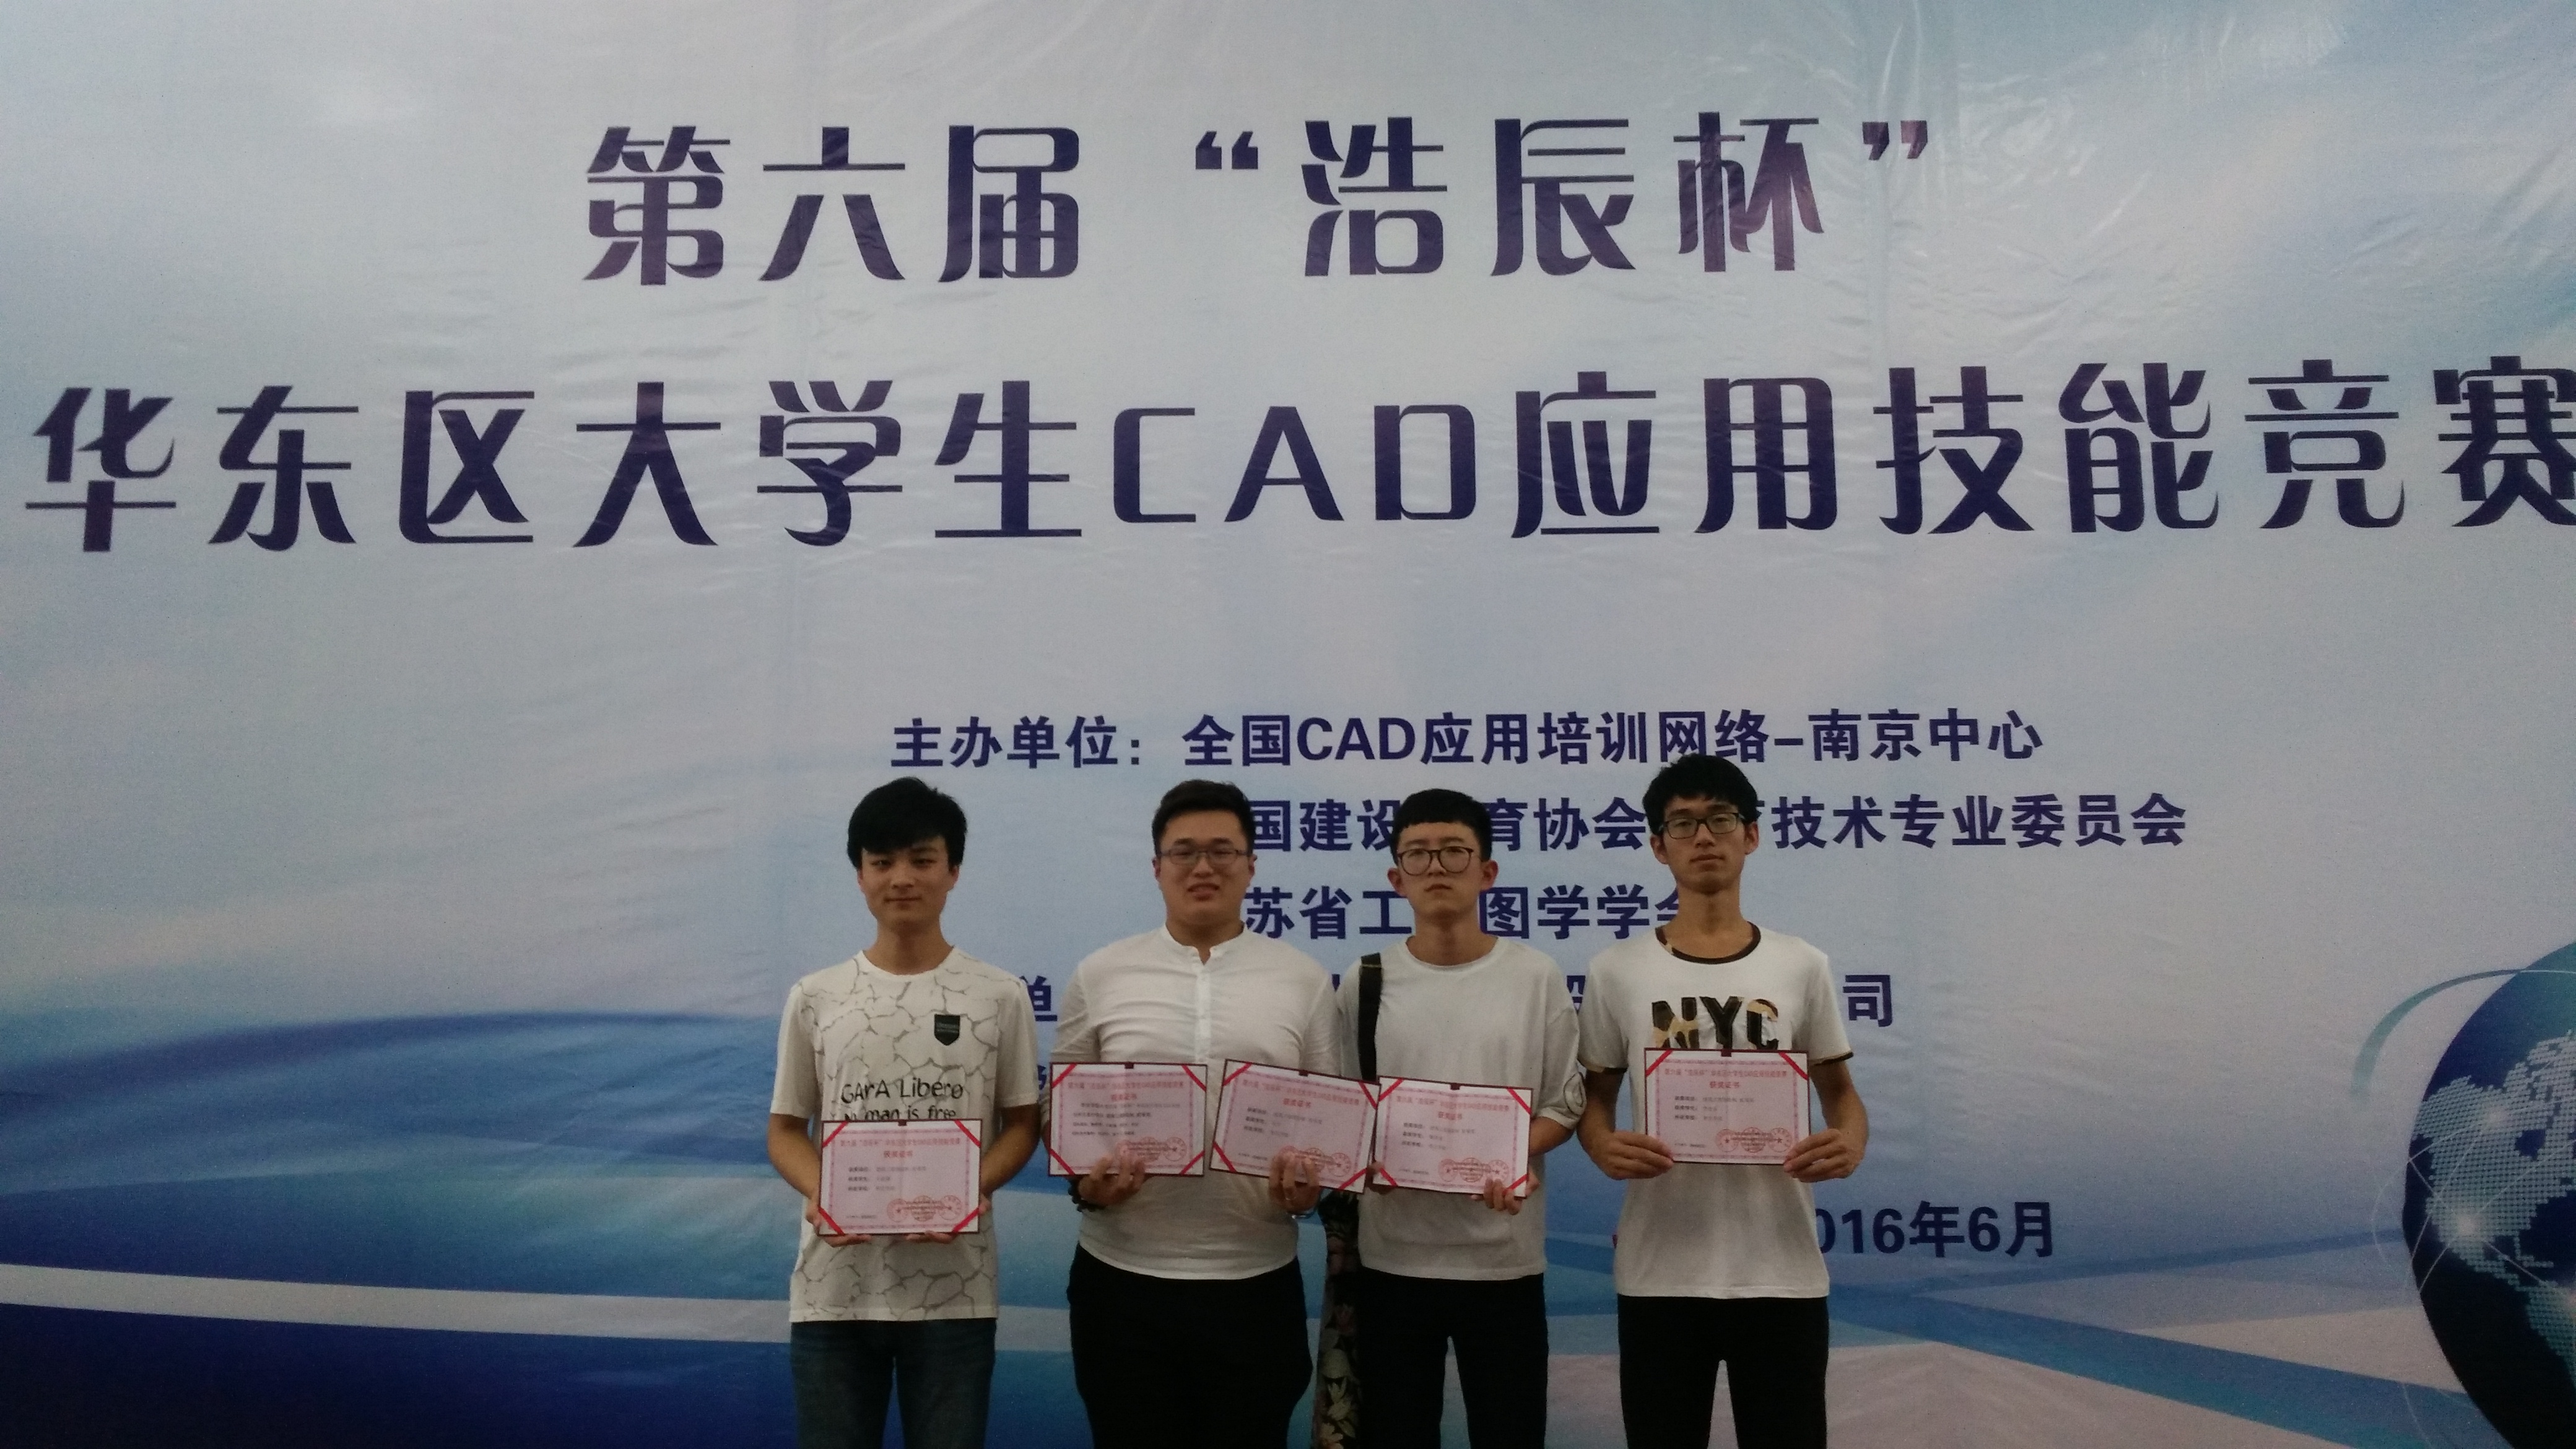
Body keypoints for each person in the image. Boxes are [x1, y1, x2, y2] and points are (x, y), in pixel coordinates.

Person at [1575, 754, 1868, 1449]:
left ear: (1751, 835)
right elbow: (1593, 1100)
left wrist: (1850, 1141)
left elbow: (1841, 1095)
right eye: (1682, 823)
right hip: (1660, 1270)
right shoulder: (1615, 970)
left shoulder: (1801, 964)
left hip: (1781, 1269)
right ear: (1658, 846)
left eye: (1720, 819)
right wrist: (1601, 1143)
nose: (1703, 836)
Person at [1051, 779, 1342, 1449]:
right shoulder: (1100, 973)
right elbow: (1062, 1109)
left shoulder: (1301, 979)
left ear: (1251, 865)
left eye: (1222, 851)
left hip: (1254, 1282)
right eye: (1183, 852)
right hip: (1120, 1282)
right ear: (1156, 867)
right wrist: (1084, 1185)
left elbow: (1328, 1114)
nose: (1203, 867)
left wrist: (1310, 1188)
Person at [765, 778, 1040, 1449]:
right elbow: (785, 1130)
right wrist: (823, 1192)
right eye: (882, 861)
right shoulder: (816, 996)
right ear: (859, 875)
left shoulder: (999, 995)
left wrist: (968, 1187)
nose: (902, 878)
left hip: (956, 1291)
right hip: (834, 1291)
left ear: (953, 871)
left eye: (922, 860)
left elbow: (1023, 1125)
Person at [1339, 790, 1586, 1449]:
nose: (1436, 867)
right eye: (1417, 855)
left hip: (1504, 1261)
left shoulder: (1534, 976)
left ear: (1487, 871)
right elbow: (1345, 1108)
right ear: (1396, 878)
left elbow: (1564, 1104)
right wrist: (1362, 1159)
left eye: (1454, 851)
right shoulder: (1365, 980)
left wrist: (1513, 1153)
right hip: (1393, 1259)